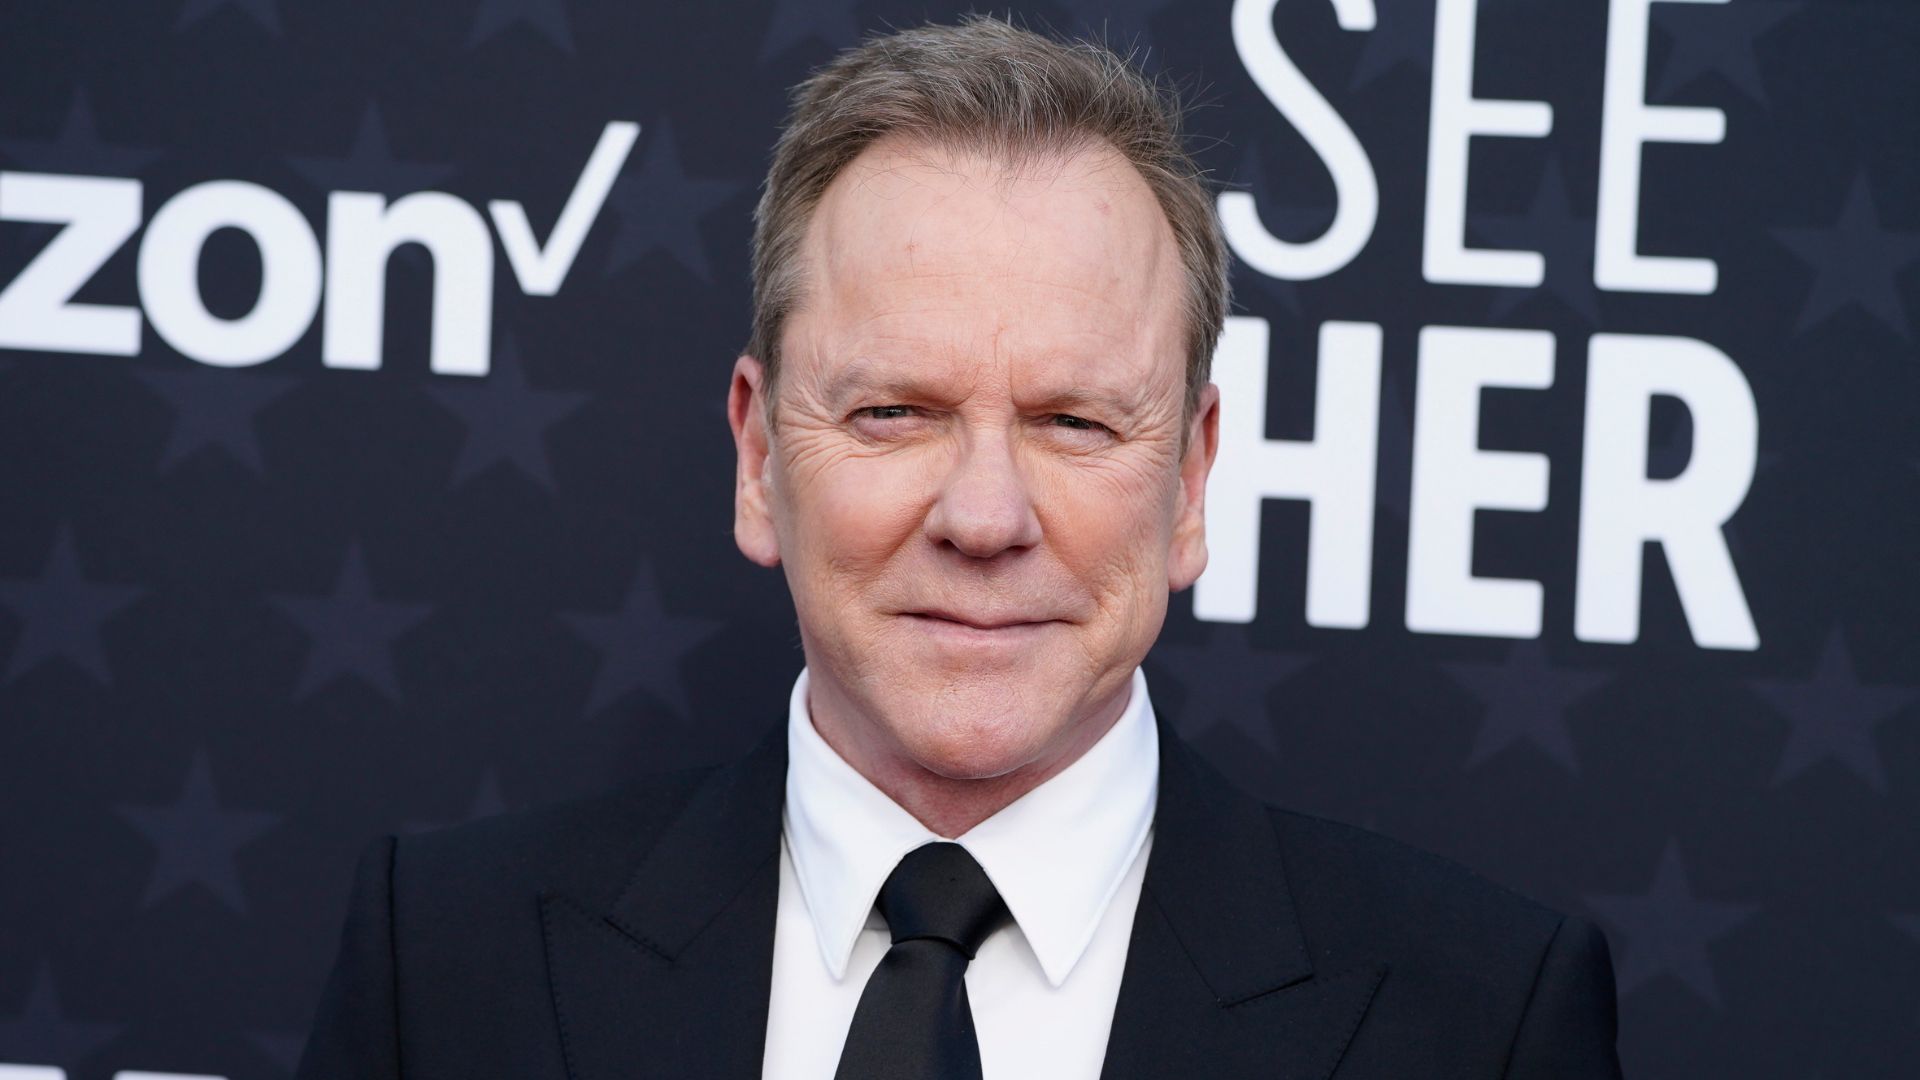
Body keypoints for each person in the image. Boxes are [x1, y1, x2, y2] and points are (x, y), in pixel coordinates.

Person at [296, 17, 1622, 1079]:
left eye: (1074, 420)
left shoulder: (1479, 1019)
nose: (985, 518)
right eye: (893, 413)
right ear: (760, 458)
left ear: (1193, 477)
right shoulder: (449, 964)